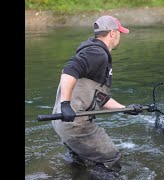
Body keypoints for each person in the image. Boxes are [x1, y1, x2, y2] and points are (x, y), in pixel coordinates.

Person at [51, 15, 143, 173]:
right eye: (120, 33)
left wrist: (127, 109)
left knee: (79, 160)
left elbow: (100, 97)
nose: (120, 36)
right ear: (113, 33)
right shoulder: (97, 53)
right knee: (111, 158)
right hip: (74, 123)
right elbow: (69, 71)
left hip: (61, 123)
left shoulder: (94, 52)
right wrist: (65, 104)